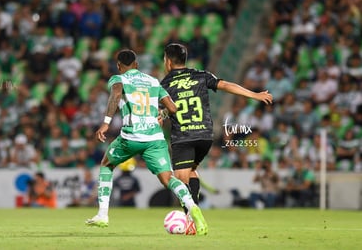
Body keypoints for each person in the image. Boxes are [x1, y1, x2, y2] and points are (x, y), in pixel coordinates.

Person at [85, 49, 208, 235]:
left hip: (131, 136)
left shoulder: (118, 79)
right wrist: (161, 114)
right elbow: (173, 107)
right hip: (155, 139)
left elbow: (116, 95)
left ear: (119, 66)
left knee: (106, 164)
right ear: (137, 65)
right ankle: (192, 207)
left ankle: (102, 215)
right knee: (168, 179)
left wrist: (105, 123)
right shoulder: (153, 81)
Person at [160, 43, 273, 213]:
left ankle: (191, 215)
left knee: (181, 181)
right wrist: (254, 94)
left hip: (184, 136)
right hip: (205, 135)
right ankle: (194, 211)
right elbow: (226, 85)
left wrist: (161, 115)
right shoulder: (200, 75)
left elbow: (167, 109)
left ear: (168, 62)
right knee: (191, 171)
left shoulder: (165, 84)